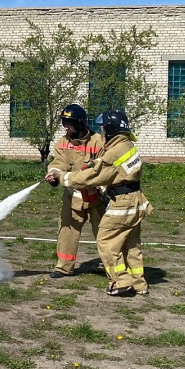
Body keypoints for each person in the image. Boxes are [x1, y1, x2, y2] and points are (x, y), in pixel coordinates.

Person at [54, 110, 152, 297]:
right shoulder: (127, 145)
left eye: (104, 127)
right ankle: (140, 284)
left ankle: (120, 281)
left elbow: (94, 176)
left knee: (106, 240)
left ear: (111, 129)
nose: (102, 131)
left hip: (121, 203)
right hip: (135, 200)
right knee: (131, 244)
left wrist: (64, 178)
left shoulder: (113, 151)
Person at [44, 104, 105, 278]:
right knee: (67, 231)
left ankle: (113, 267)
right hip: (73, 197)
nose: (65, 126)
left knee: (104, 233)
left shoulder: (97, 141)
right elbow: (58, 163)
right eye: (64, 122)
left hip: (96, 197)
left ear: (79, 123)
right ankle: (63, 267)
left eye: (68, 122)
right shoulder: (63, 143)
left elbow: (104, 166)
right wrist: (54, 174)